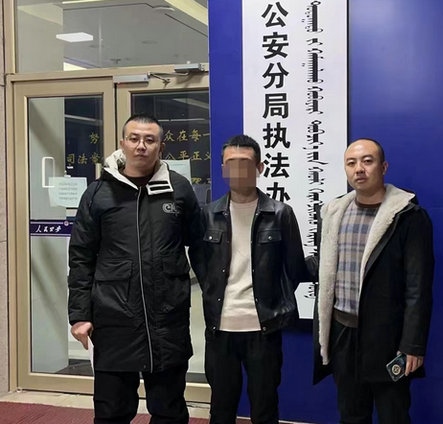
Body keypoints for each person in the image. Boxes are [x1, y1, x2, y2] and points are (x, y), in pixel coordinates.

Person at [68, 113, 202, 424]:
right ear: (123, 143)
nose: (141, 146)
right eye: (134, 138)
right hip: (114, 317)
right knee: (112, 411)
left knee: (169, 410)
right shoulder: (98, 193)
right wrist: (80, 314)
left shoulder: (178, 189)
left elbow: (199, 246)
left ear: (161, 147)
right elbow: (81, 256)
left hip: (167, 318)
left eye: (149, 140)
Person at [313, 138, 434, 424]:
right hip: (343, 334)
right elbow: (323, 268)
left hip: (388, 338)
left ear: (384, 167)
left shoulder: (407, 217)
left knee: (394, 415)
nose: (359, 169)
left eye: (367, 161)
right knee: (351, 414)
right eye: (351, 163)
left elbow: (418, 287)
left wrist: (412, 344)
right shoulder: (333, 213)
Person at [189, 134, 307, 424]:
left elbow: (293, 268)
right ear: (222, 168)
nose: (238, 170)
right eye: (231, 163)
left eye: (245, 163)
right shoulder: (207, 214)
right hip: (220, 328)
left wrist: (270, 299)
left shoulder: (280, 214)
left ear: (260, 167)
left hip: (263, 328)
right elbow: (200, 262)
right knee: (221, 408)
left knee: (265, 407)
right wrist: (215, 292)